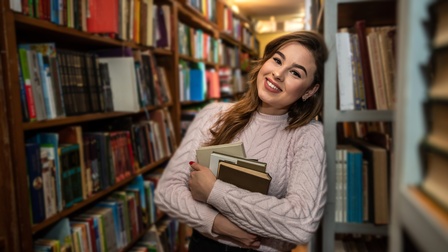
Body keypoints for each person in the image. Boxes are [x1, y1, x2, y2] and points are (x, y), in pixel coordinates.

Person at [154, 30, 328, 252]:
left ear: (310, 90)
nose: (278, 74)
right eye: (277, 60)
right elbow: (168, 191)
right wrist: (221, 225)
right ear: (264, 62)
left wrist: (213, 191)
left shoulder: (308, 135)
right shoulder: (213, 114)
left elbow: (301, 223)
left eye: (295, 73)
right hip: (204, 245)